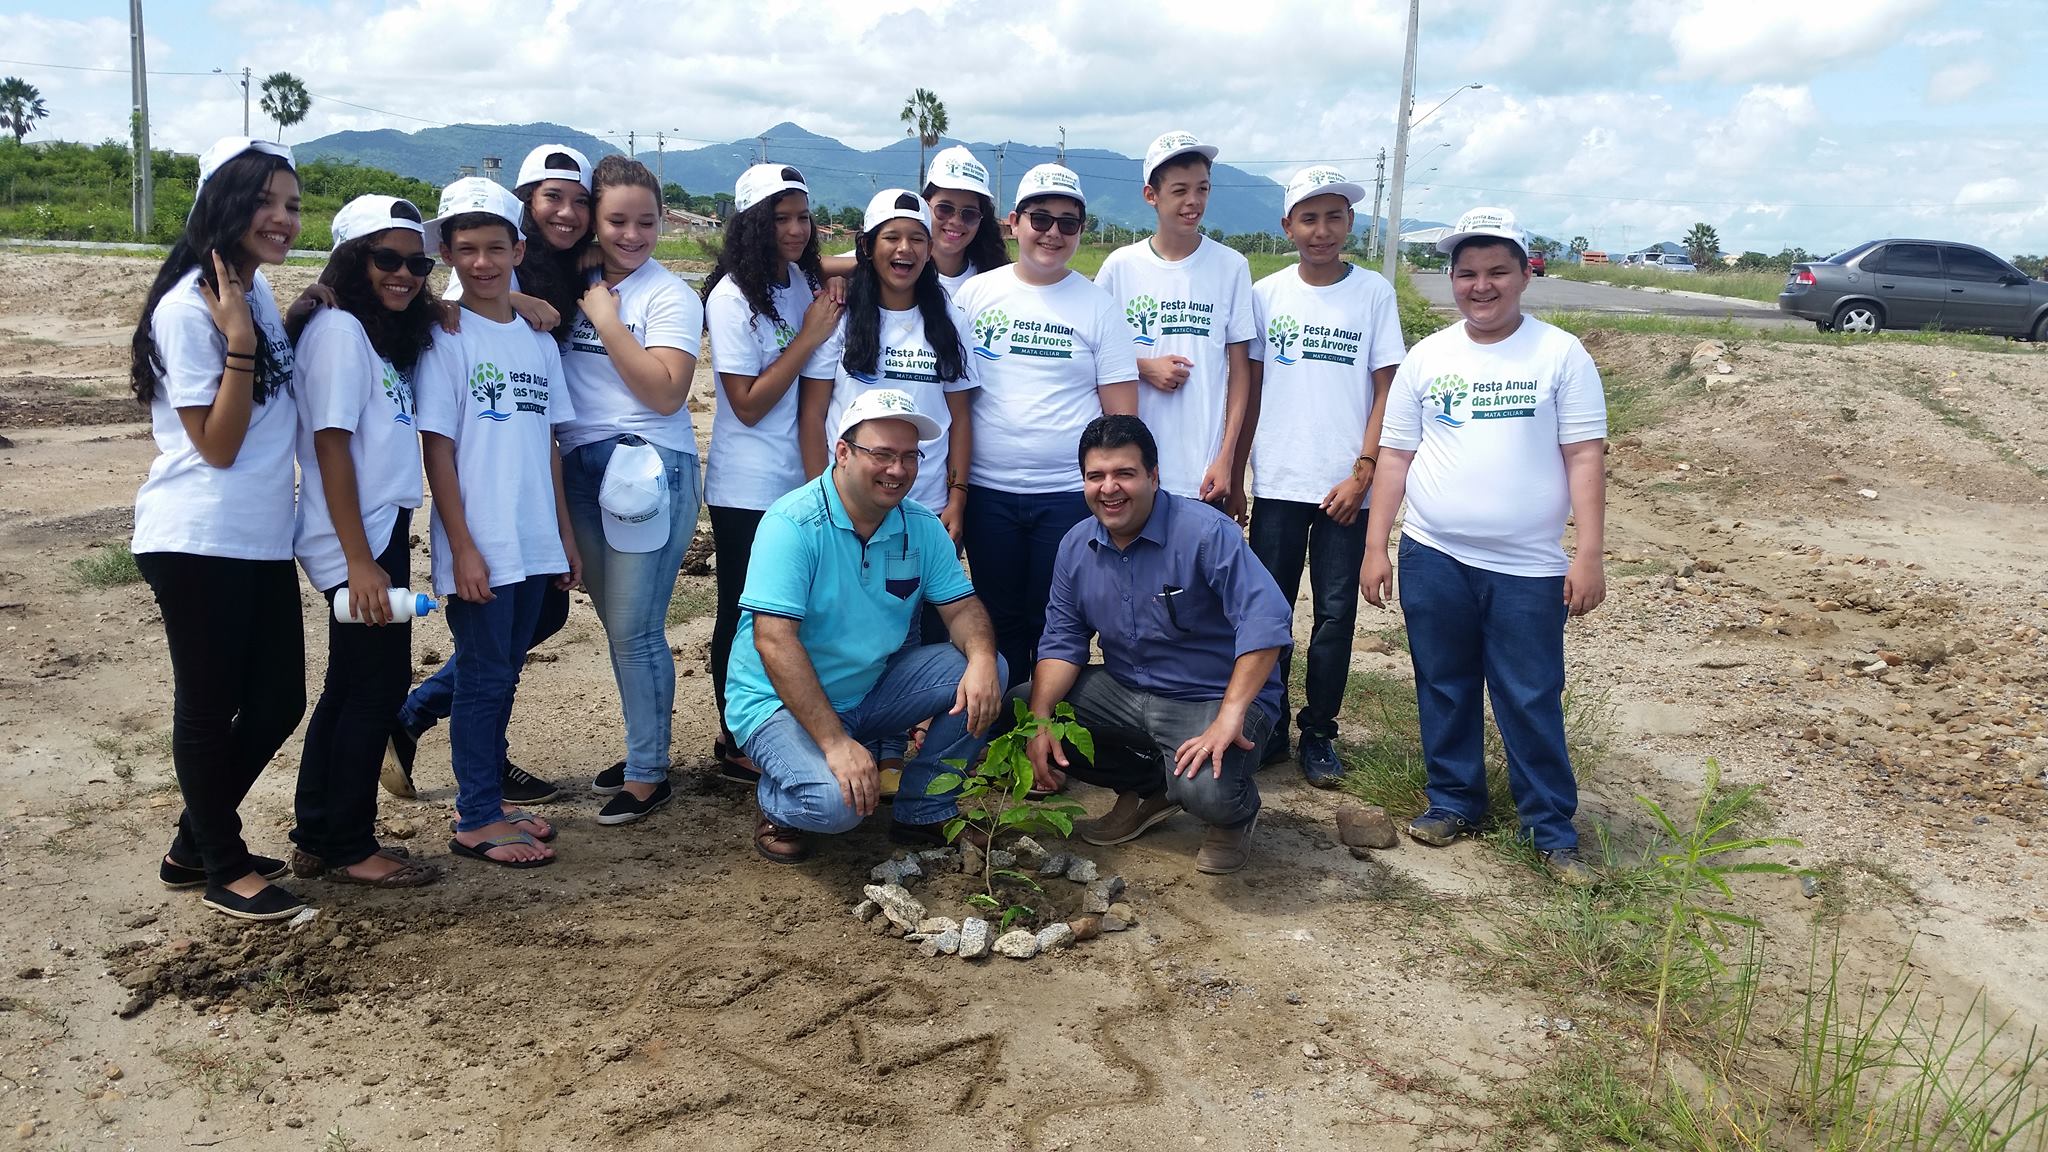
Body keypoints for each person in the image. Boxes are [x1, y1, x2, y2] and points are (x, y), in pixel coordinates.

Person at [1359, 207, 1608, 887]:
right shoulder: (1429, 357)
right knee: (1444, 684)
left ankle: (1550, 830)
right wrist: (1377, 545)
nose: (1481, 285)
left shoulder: (1559, 355)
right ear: (1452, 279)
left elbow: (1585, 455)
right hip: (1434, 554)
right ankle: (1455, 801)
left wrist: (1588, 553)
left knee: (1529, 694)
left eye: (1497, 270)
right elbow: (1394, 457)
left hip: (1527, 565)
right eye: (1467, 272)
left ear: (1525, 273)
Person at [127, 136, 309, 921]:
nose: (281, 218)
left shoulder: (255, 291)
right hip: (199, 534)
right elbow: (219, 442)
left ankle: (191, 842)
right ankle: (221, 866)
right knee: (208, 705)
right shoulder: (190, 307)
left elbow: (274, 384)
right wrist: (237, 341)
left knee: (277, 702)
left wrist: (293, 314)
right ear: (223, 206)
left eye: (293, 205)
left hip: (258, 532)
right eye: (264, 202)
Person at [384, 144, 594, 805]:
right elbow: (438, 450)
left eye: (495, 248)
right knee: (485, 676)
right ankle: (477, 810)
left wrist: (564, 536)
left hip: (535, 536)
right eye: (466, 248)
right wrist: (462, 546)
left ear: (518, 251)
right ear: (446, 253)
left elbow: (550, 447)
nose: (482, 262)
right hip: (482, 540)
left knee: (502, 672)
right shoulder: (444, 337)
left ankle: (474, 783)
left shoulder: (537, 340)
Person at [726, 390, 1006, 863]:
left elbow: (962, 608)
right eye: (881, 454)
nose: (897, 470)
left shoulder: (919, 526)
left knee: (989, 667)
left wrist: (979, 659)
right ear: (843, 452)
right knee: (838, 808)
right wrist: (835, 742)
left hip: (868, 691)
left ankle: (925, 809)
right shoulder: (792, 524)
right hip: (778, 703)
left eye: (908, 456)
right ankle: (777, 804)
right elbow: (773, 640)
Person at [1020, 415, 1292, 875]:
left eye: (1124, 474)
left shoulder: (1206, 533)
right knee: (1020, 708)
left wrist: (1229, 716)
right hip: (1127, 691)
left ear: (1153, 475)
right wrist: (1041, 719)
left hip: (1213, 695)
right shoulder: (1075, 546)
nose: (1110, 489)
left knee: (1207, 791)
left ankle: (1234, 815)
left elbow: (1266, 621)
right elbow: (1063, 640)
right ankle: (1151, 789)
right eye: (1096, 476)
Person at [283, 194, 444, 890]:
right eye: (386, 259)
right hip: (357, 535)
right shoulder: (342, 332)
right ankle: (352, 844)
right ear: (352, 259)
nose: (404, 273)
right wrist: (358, 563)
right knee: (374, 690)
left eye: (416, 262)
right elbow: (330, 446)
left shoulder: (365, 331)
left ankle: (318, 831)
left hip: (373, 527)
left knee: (349, 686)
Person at [554, 155, 704, 824]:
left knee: (638, 630)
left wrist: (607, 320)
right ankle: (647, 748)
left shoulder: (669, 295)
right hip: (581, 465)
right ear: (594, 218)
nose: (632, 234)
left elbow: (667, 391)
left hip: (646, 467)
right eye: (617, 220)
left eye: (646, 221)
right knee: (618, 626)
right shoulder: (571, 279)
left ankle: (648, 772)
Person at [1243, 165, 1404, 786]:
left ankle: (1319, 734)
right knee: (1269, 612)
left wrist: (1363, 472)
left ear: (1350, 224)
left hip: (1345, 490)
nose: (1322, 230)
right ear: (1288, 225)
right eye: (1308, 218)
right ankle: (1270, 727)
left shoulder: (1372, 295)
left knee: (1335, 616)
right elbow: (1249, 386)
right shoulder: (1267, 295)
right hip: (1279, 483)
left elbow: (1387, 387)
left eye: (1334, 217)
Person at [953, 164, 1139, 686]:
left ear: (1082, 230)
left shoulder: (1099, 306)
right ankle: (1003, 729)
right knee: (996, 615)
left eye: (1068, 222)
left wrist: (1113, 490)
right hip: (989, 490)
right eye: (1040, 218)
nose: (1053, 232)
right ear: (1013, 222)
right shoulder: (974, 296)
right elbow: (952, 399)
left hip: (1064, 495)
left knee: (1059, 619)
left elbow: (1120, 417)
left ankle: (1048, 728)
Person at [702, 163, 843, 782]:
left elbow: (849, 264)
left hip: (797, 477)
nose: (794, 229)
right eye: (779, 218)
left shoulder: (801, 280)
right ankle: (733, 734)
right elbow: (749, 403)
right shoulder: (731, 296)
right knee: (742, 609)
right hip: (745, 486)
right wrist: (809, 337)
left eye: (802, 217)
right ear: (751, 225)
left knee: (795, 613)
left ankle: (780, 721)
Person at [798, 189, 976, 543]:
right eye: (891, 237)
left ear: (929, 250)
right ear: (866, 246)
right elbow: (812, 415)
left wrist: (957, 499)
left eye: (916, 239)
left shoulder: (950, 319)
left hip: (926, 507)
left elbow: (960, 417)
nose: (904, 249)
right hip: (847, 504)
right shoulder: (839, 314)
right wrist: (821, 499)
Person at [1095, 131, 1255, 506]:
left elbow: (1240, 374)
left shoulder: (1231, 266)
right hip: (1132, 471)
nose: (1193, 201)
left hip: (1202, 472)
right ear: (1151, 195)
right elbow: (1089, 354)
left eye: (1203, 189)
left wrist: (1227, 460)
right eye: (1180, 190)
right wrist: (1145, 367)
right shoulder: (1121, 267)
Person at [819, 145, 1010, 296]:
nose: (956, 221)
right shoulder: (896, 263)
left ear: (981, 218)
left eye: (969, 214)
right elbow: (812, 268)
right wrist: (851, 273)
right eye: (945, 209)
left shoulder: (992, 280)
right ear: (925, 205)